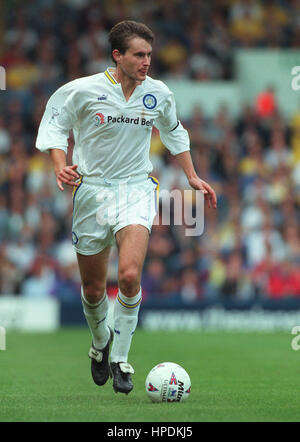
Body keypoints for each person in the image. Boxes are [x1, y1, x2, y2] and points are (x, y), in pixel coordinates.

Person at [36, 20, 217, 395]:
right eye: (138, 54)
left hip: (136, 188)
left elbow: (173, 132)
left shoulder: (159, 93)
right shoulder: (83, 90)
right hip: (92, 191)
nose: (146, 61)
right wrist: (59, 164)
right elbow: (56, 125)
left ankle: (120, 358)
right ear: (117, 56)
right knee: (92, 290)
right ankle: (100, 342)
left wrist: (192, 176)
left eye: (149, 54)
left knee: (131, 276)